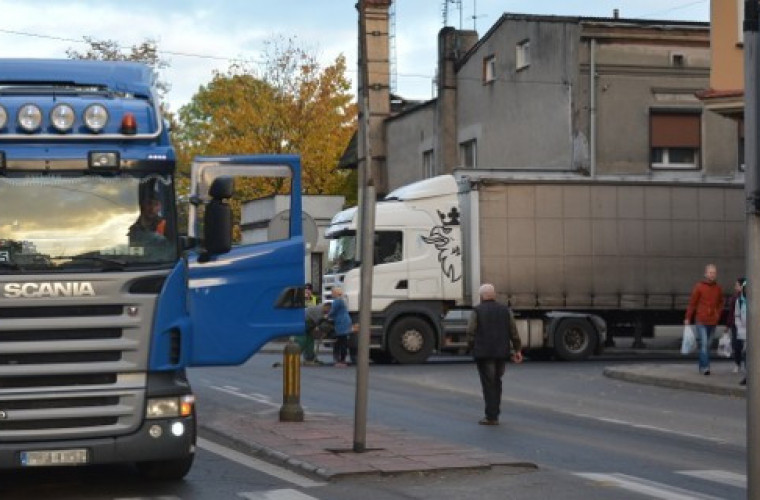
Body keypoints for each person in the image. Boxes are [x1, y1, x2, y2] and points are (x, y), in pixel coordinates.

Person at [466, 283, 523, 425]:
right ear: (494, 295)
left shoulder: (477, 311)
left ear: (481, 296)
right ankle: (495, 413)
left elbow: (470, 332)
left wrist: (471, 347)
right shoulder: (505, 310)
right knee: (497, 382)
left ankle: (491, 416)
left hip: (484, 353)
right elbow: (513, 331)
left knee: (488, 384)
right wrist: (517, 349)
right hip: (501, 353)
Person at [685, 264, 724, 376]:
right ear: (706, 274)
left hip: (713, 321)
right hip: (701, 320)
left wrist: (718, 314)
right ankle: (705, 367)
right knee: (704, 344)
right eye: (710, 272)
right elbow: (692, 304)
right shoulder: (699, 287)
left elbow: (721, 302)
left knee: (708, 345)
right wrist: (688, 317)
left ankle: (702, 366)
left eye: (714, 273)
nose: (712, 275)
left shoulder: (718, 288)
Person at [328, 287, 353, 367]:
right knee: (342, 341)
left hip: (341, 322)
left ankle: (341, 360)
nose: (331, 294)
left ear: (335, 293)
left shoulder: (337, 301)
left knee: (341, 342)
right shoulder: (342, 300)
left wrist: (327, 316)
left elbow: (333, 311)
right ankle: (342, 360)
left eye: (332, 292)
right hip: (345, 321)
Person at [725, 277, 746, 374]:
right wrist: (728, 325)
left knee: (746, 348)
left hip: (746, 325)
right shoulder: (735, 297)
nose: (735, 287)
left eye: (737, 285)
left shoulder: (748, 297)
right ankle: (737, 364)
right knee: (736, 345)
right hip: (736, 325)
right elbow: (732, 313)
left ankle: (746, 367)